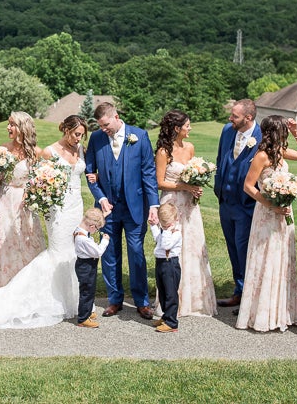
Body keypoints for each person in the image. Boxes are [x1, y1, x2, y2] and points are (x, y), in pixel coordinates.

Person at [0, 114, 88, 328]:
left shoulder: (77, 149)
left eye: (82, 136)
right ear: (66, 130)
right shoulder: (48, 151)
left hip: (76, 206)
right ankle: (22, 293)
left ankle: (71, 299)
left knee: (74, 251)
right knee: (56, 250)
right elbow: (41, 178)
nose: (79, 139)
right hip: (51, 206)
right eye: (77, 134)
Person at [235, 115, 297, 332]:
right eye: (285, 131)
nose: (286, 135)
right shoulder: (261, 156)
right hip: (267, 214)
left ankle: (281, 311)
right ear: (275, 132)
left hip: (284, 213)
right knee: (266, 258)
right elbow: (249, 186)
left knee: (282, 258)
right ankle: (262, 314)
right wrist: (271, 204)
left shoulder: (280, 152)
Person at [85, 102, 159, 320]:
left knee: (136, 252)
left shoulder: (140, 136)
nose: (104, 129)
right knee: (109, 253)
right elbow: (90, 173)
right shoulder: (97, 139)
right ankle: (114, 299)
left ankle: (142, 301)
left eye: (106, 125)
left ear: (116, 117)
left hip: (135, 207)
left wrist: (153, 205)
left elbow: (148, 173)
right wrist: (101, 198)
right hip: (108, 210)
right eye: (100, 126)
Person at [155, 110, 217, 317]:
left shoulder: (190, 148)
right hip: (172, 203)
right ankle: (174, 302)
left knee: (192, 247)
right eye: (187, 125)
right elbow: (160, 182)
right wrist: (184, 186)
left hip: (189, 205)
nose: (190, 129)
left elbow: (192, 176)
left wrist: (196, 186)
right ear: (176, 129)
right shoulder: (164, 152)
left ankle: (195, 301)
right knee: (173, 249)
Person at [0, 111, 45, 293]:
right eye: (8, 124)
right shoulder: (3, 149)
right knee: (2, 242)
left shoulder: (35, 152)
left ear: (22, 127)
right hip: (4, 201)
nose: (8, 127)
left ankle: (25, 290)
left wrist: (30, 194)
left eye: (12, 124)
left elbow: (39, 181)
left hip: (24, 204)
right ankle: (0, 288)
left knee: (24, 244)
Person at [213, 99, 262, 308]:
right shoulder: (227, 131)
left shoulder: (262, 136)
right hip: (226, 201)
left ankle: (249, 296)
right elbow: (220, 158)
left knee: (244, 248)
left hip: (247, 204)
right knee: (232, 247)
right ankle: (239, 290)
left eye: (235, 116)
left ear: (248, 118)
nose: (230, 119)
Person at [74, 208, 111, 328]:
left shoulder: (79, 231)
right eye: (97, 228)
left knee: (88, 290)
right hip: (87, 266)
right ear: (91, 226)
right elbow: (98, 252)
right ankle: (83, 318)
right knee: (87, 291)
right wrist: (105, 241)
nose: (97, 231)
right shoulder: (83, 239)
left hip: (84, 264)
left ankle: (89, 310)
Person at [150, 203, 182, 333]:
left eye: (167, 224)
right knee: (162, 291)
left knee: (170, 294)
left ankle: (172, 322)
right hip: (161, 263)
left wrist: (167, 230)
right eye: (163, 224)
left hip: (170, 265)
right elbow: (159, 239)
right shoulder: (165, 231)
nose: (165, 227)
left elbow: (166, 245)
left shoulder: (175, 233)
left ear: (175, 220)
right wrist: (154, 226)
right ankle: (165, 315)